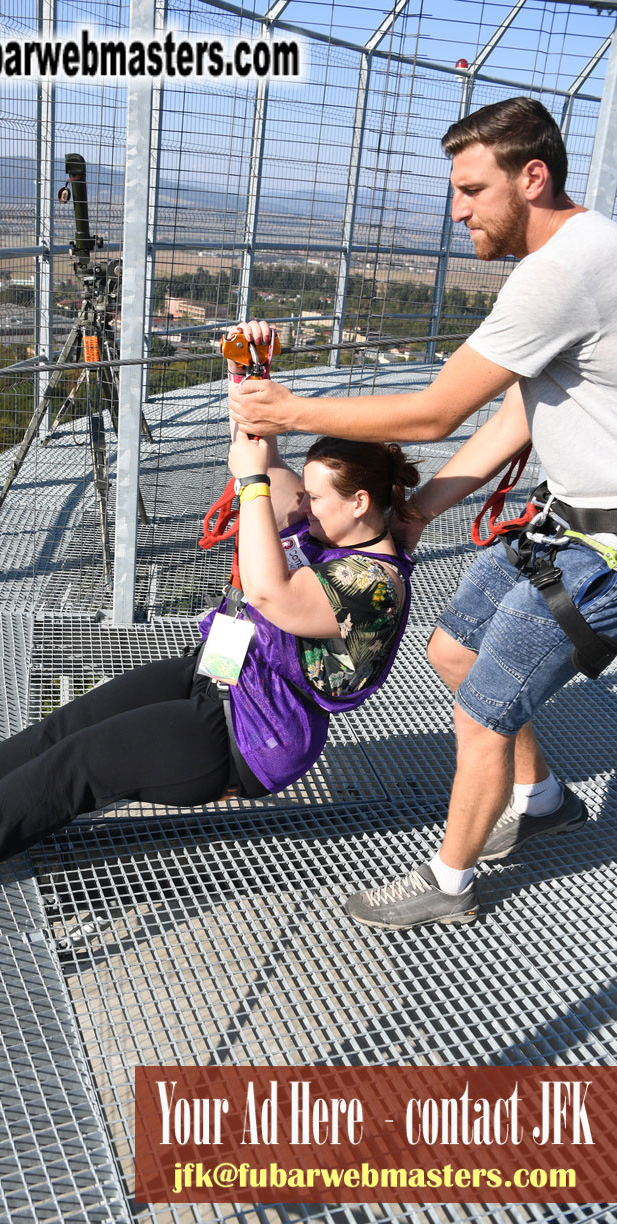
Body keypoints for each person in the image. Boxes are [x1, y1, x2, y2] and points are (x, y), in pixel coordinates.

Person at [228, 96, 617, 930]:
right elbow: (524, 411)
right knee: (453, 649)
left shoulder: (563, 271)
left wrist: (289, 412)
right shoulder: (578, 256)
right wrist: (430, 505)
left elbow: (438, 412)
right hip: (570, 516)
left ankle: (449, 884)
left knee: (482, 709)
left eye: (473, 189)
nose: (457, 210)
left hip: (608, 544)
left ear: (533, 176)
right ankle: (541, 797)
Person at [0, 396, 417, 883]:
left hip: (251, 733)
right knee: (64, 727)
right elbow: (263, 462)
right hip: (219, 672)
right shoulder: (342, 529)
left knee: (79, 765)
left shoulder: (373, 590)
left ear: (360, 502)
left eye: (316, 499)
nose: (303, 506)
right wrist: (253, 376)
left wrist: (257, 483)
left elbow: (268, 591)